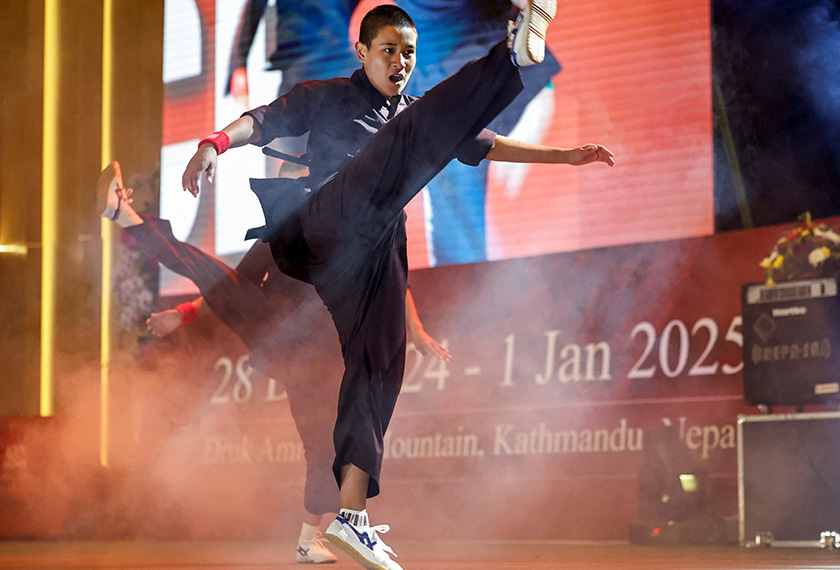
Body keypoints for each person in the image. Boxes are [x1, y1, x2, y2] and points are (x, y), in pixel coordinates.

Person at [182, 3, 614, 569]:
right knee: (413, 132)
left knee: (381, 365)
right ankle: (513, 54)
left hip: (374, 246)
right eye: (389, 50)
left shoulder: (412, 116)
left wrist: (565, 156)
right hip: (326, 220)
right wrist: (213, 143)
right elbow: (262, 120)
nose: (401, 61)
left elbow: (482, 143)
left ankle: (351, 519)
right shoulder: (330, 96)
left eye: (409, 52)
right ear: (362, 53)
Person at [98, 160, 450, 564]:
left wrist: (418, 333)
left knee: (322, 447)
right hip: (279, 334)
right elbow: (226, 286)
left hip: (319, 360)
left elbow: (395, 284)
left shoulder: (344, 229)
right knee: (218, 281)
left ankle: (307, 542)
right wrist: (183, 314)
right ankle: (127, 216)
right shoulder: (276, 237)